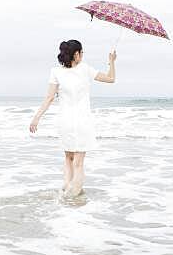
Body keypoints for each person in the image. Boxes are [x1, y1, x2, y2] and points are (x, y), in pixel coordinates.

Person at [29, 39, 116, 197]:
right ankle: (74, 197)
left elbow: (49, 98)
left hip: (65, 121)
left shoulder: (56, 71)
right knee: (79, 162)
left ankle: (67, 192)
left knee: (68, 158)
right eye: (81, 52)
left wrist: (36, 118)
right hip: (82, 121)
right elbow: (111, 79)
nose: (82, 55)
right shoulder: (85, 69)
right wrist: (111, 62)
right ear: (76, 54)